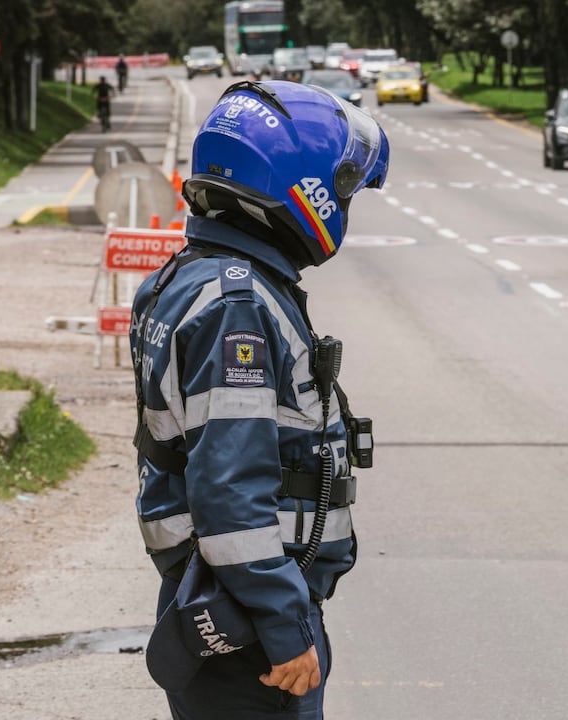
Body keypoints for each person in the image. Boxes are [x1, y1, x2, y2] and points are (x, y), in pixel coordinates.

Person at [129, 80, 389, 719]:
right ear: (301, 185)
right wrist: (285, 627)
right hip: (245, 629)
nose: (346, 200)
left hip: (221, 602)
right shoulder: (235, 310)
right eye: (345, 186)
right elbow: (229, 492)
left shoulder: (190, 275)